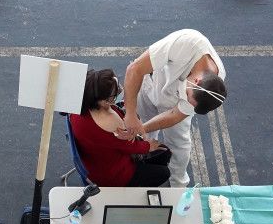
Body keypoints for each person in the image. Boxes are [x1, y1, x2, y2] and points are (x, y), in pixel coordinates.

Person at [121, 29, 227, 188]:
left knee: (179, 145)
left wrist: (141, 127)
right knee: (140, 135)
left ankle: (178, 184)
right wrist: (130, 114)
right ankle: (139, 163)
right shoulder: (185, 43)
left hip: (172, 102)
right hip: (152, 85)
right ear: (197, 81)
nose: (188, 103)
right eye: (188, 97)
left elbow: (175, 114)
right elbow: (135, 69)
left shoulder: (211, 88)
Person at [69, 68, 171, 188]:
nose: (120, 91)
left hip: (96, 161)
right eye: (115, 93)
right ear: (103, 101)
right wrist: (149, 146)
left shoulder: (78, 110)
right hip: (114, 176)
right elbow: (130, 146)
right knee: (164, 167)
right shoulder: (109, 122)